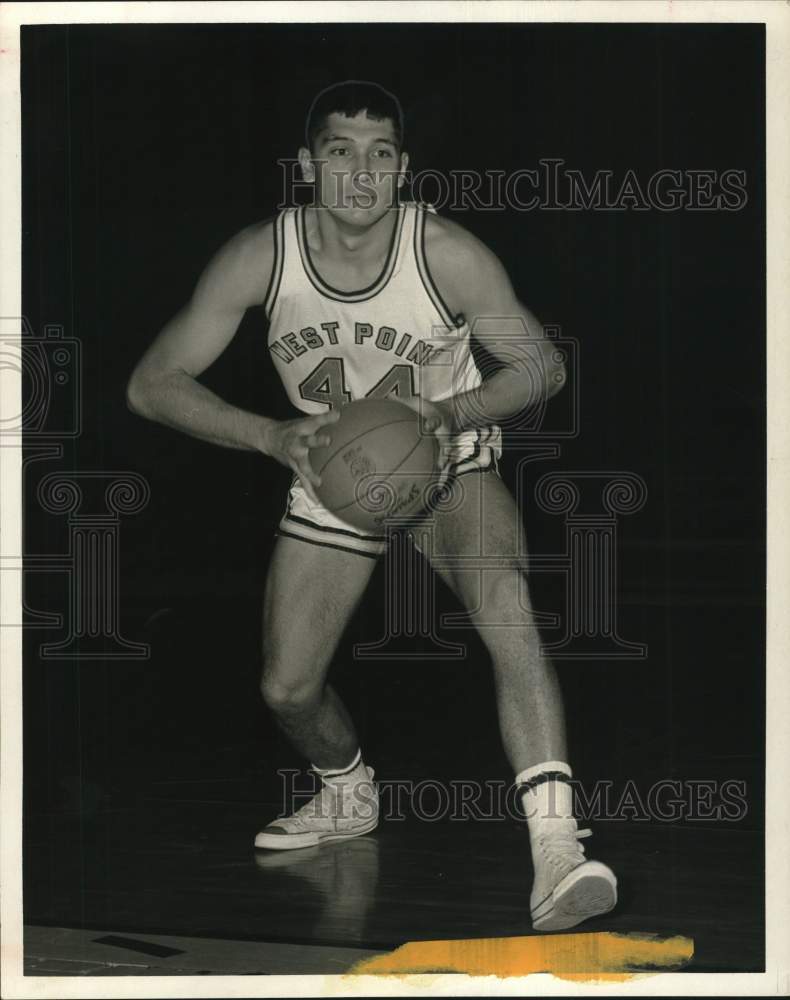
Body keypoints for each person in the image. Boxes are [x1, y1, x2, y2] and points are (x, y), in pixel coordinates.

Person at [126, 80, 617, 932]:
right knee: (286, 689)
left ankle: (557, 852)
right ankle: (348, 792)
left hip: (447, 458)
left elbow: (542, 366)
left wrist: (453, 413)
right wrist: (270, 436)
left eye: (381, 153)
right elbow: (150, 384)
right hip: (331, 471)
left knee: (507, 609)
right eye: (341, 151)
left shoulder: (447, 252)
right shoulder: (259, 255)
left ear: (404, 168)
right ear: (307, 164)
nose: (361, 172)